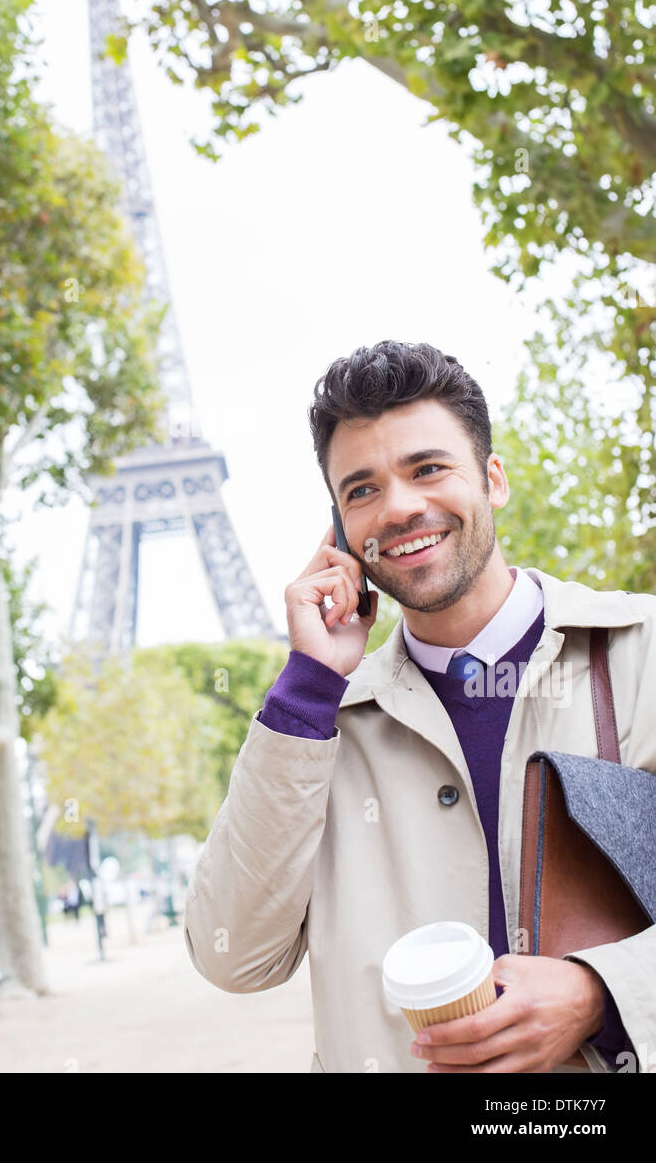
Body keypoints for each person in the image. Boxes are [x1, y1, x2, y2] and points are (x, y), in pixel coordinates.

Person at [184, 340, 656, 1075]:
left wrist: (604, 992)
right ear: (340, 531)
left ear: (493, 480)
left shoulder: (642, 653)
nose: (400, 507)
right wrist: (309, 685)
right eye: (362, 489)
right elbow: (232, 955)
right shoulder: (317, 725)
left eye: (427, 469)